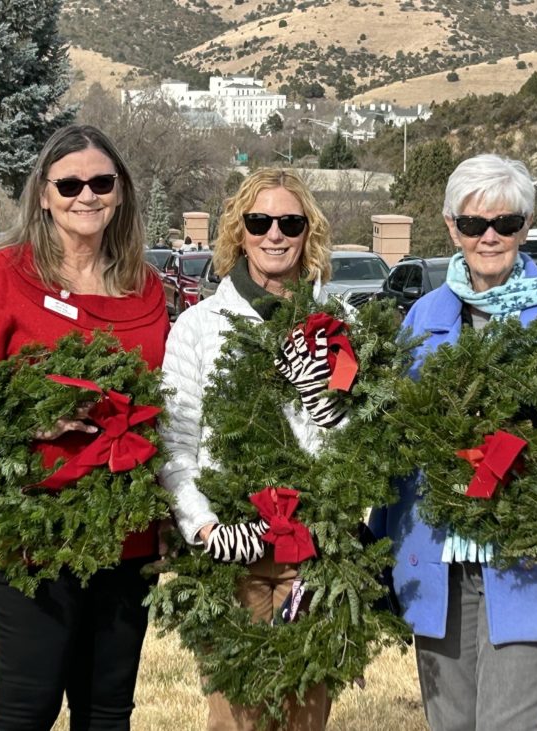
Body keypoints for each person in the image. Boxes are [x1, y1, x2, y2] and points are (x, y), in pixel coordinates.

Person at [369, 153, 537, 731]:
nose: (489, 237)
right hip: (441, 565)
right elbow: (395, 435)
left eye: (506, 223)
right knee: (450, 723)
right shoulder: (423, 317)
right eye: (473, 224)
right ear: (451, 228)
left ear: (526, 226)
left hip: (528, 564)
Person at [0, 124, 169, 731]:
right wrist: (28, 416)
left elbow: (168, 404)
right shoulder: (6, 274)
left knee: (107, 712)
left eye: (101, 182)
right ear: (43, 194)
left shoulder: (148, 286)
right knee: (25, 710)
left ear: (121, 192)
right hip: (32, 530)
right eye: (70, 183)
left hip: (127, 531)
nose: (87, 195)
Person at [160, 168, 337, 730]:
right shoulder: (197, 326)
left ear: (309, 232)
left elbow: (356, 440)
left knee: (304, 714)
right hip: (229, 554)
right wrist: (205, 528)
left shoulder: (338, 327)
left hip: (313, 551)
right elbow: (176, 443)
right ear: (239, 232)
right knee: (236, 717)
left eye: (291, 222)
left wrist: (319, 394)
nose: (275, 234)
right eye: (260, 222)